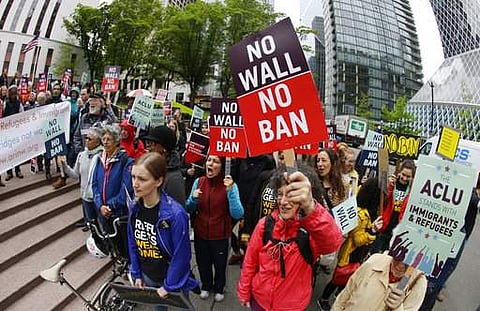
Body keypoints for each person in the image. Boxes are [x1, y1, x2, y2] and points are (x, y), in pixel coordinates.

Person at [237, 165, 343, 310]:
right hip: (259, 301)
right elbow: (250, 261)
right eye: (280, 194)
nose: (284, 202)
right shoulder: (265, 224)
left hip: (292, 306)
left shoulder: (311, 231)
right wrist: (244, 291)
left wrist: (311, 208)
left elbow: (332, 243)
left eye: (291, 195)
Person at [127, 153, 199, 311]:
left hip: (174, 280)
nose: (135, 184)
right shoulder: (135, 206)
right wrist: (137, 273)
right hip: (149, 276)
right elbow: (133, 242)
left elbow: (182, 254)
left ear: (158, 181)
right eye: (133, 177)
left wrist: (169, 286)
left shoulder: (175, 214)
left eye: (142, 179)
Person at [318, 177, 383, 310]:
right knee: (338, 278)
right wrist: (372, 232)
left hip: (357, 254)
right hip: (351, 253)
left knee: (348, 279)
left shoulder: (365, 208)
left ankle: (340, 295)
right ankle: (324, 298)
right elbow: (358, 240)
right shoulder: (361, 214)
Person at [186, 155, 244, 302]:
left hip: (220, 235)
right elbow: (188, 208)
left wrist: (230, 192)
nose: (210, 164)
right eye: (209, 160)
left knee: (219, 265)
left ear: (222, 166)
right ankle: (206, 285)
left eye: (215, 161)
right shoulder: (199, 182)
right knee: (202, 262)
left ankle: (219, 287)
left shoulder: (230, 185)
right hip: (200, 233)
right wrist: (193, 199)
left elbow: (238, 213)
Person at [419, 174, 480, 310]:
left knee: (436, 282)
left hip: (456, 238)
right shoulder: (455, 187)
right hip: (436, 236)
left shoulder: (471, 193)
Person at [331, 252, 427, 311]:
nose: (400, 265)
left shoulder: (418, 283)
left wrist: (397, 307)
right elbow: (344, 296)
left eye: (408, 262)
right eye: (398, 257)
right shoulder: (375, 260)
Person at [91, 124, 134, 256]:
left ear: (116, 141)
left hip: (119, 213)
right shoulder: (98, 159)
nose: (105, 142)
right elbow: (94, 185)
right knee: (112, 242)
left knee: (125, 245)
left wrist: (109, 206)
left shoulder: (126, 161)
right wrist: (100, 206)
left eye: (109, 139)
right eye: (103, 139)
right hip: (103, 212)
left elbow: (126, 189)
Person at [61, 127, 104, 231]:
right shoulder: (81, 155)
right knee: (92, 225)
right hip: (85, 196)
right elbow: (75, 175)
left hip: (98, 198)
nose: (86, 141)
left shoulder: (102, 156)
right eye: (86, 138)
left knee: (102, 225)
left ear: (98, 141)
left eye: (90, 139)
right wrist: (64, 166)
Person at [370, 159, 416, 254]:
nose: (404, 178)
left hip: (397, 231)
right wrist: (389, 186)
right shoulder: (391, 182)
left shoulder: (413, 190)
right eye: (403, 174)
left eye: (408, 176)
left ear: (412, 177)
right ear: (399, 172)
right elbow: (382, 200)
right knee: (374, 256)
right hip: (384, 227)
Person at [144, 126, 186, 206]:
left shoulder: (174, 179)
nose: (148, 147)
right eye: (148, 142)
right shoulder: (153, 170)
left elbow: (178, 212)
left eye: (152, 143)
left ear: (164, 148)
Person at [4, 85, 24, 180]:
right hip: (8, 132)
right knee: (9, 152)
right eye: (12, 94)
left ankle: (18, 170)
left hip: (17, 131)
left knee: (17, 151)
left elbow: (22, 115)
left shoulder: (19, 103)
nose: (13, 96)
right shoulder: (5, 103)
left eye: (14, 94)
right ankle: (9, 172)